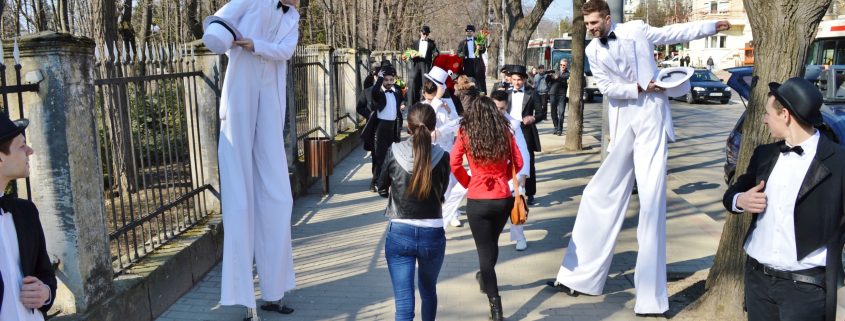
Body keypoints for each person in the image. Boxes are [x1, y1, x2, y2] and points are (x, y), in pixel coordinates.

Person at [546, 0, 730, 317]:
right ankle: (579, 277)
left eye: (593, 23)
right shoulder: (591, 52)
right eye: (586, 25)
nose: (589, 29)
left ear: (606, 18)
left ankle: (651, 300)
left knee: (652, 203)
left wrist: (710, 26)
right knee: (596, 194)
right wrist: (639, 86)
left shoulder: (636, 29)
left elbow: (672, 32)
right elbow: (606, 87)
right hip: (623, 125)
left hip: (652, 121)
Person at [205, 0, 303, 318]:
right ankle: (243, 297)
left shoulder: (292, 16)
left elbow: (286, 50)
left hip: (270, 99)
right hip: (242, 89)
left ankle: (273, 291)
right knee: (239, 198)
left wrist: (255, 44)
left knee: (278, 199)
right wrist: (225, 37)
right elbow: (217, 23)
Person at [723, 77, 844, 321]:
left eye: (768, 113)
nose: (765, 119)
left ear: (785, 115)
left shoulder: (839, 161)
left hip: (807, 287)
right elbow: (731, 195)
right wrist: (740, 200)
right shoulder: (764, 155)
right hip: (758, 280)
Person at [377, 103, 451, 321]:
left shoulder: (393, 151)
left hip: (400, 231)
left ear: (408, 127)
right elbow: (443, 190)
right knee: (428, 292)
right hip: (433, 233)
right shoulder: (442, 156)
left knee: (403, 303)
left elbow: (381, 186)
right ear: (433, 125)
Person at [451, 97, 522, 321]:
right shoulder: (505, 131)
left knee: (484, 250)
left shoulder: (465, 132)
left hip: (478, 198)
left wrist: (468, 182)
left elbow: (454, 162)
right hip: (502, 198)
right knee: (492, 243)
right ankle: (485, 277)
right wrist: (502, 174)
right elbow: (518, 162)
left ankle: (496, 308)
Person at [0, 115, 56, 320]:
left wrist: (45, 293)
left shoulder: (26, 212)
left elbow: (45, 273)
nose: (30, 151)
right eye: (22, 146)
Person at [491, 90, 531, 251]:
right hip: (488, 171)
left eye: (502, 108)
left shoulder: (513, 123)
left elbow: (523, 150)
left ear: (506, 106)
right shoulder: (483, 121)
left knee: (516, 200)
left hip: (510, 171)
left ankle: (519, 236)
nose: (499, 111)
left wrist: (523, 174)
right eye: (496, 108)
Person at [360, 67, 405, 192]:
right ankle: (375, 182)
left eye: (391, 80)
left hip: (392, 128)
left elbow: (397, 111)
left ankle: (386, 182)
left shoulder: (395, 93)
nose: (389, 82)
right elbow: (374, 91)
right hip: (379, 129)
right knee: (379, 157)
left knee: (390, 157)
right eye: (386, 80)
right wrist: (379, 79)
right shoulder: (378, 93)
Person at [506, 65, 545, 205]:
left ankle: (530, 193)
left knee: (528, 161)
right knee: (507, 160)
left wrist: (533, 118)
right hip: (508, 130)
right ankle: (508, 190)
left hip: (525, 129)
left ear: (524, 80)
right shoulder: (506, 93)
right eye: (514, 79)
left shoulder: (532, 93)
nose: (516, 83)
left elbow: (542, 113)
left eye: (519, 80)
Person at [407, 25, 440, 106]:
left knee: (425, 83)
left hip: (426, 64)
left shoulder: (431, 43)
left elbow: (436, 52)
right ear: (421, 33)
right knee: (413, 82)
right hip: (416, 64)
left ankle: (425, 102)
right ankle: (412, 103)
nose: (425, 35)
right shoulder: (415, 43)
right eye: (424, 33)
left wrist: (436, 53)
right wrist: (411, 56)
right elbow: (409, 53)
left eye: (427, 34)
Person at [457, 25, 487, 95]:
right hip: (467, 63)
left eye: (471, 31)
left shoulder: (478, 40)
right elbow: (458, 53)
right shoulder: (462, 42)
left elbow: (483, 50)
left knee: (479, 79)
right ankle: (470, 93)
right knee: (469, 79)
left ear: (473, 32)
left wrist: (480, 47)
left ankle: (481, 94)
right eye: (467, 31)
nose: (469, 32)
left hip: (477, 62)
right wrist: (462, 55)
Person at [547, 59, 570, 136]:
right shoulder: (555, 71)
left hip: (562, 95)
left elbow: (564, 77)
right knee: (553, 112)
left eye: (564, 65)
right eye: (561, 65)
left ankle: (560, 129)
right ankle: (556, 127)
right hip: (553, 93)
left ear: (566, 66)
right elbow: (547, 80)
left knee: (561, 112)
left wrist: (557, 76)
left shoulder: (567, 73)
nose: (562, 66)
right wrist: (549, 75)